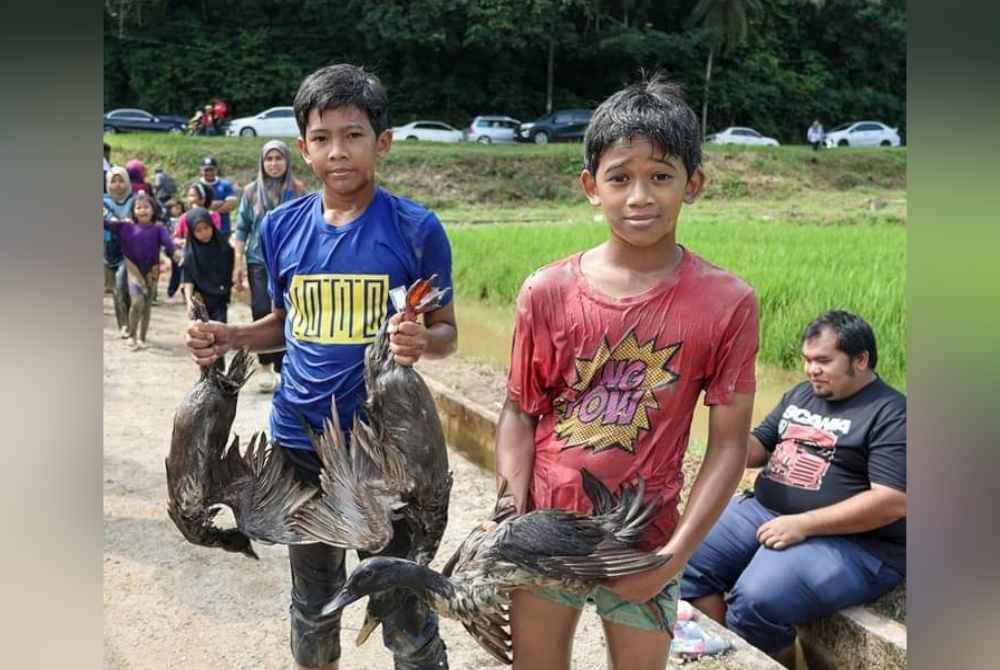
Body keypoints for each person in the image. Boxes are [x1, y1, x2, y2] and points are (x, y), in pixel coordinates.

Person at [184, 64, 457, 670]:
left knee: (404, 615)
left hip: (385, 455)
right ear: (304, 148)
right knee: (313, 604)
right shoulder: (280, 228)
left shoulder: (416, 229)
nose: (338, 151)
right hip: (298, 447)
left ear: (382, 142)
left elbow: (447, 333)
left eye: (353, 135)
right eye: (322, 137)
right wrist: (231, 335)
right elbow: (285, 322)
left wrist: (422, 339)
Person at [496, 73, 758, 670]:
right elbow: (519, 410)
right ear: (591, 187)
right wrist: (509, 520)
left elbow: (727, 445)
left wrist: (672, 558)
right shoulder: (547, 290)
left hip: (648, 536)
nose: (640, 196)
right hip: (546, 529)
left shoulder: (727, 302)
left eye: (660, 176)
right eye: (620, 178)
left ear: (693, 184)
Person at [680, 310, 906, 662]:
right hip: (765, 510)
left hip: (852, 540)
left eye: (823, 361)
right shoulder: (802, 394)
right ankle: (727, 656)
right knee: (686, 560)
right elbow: (759, 447)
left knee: (757, 600)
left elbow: (891, 501)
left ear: (860, 360)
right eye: (807, 360)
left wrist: (803, 524)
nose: (811, 370)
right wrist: (726, 433)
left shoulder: (892, 414)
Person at [232, 139, 308, 392]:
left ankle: (283, 366)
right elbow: (242, 228)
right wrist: (237, 263)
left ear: (287, 161)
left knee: (289, 311)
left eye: (279, 158)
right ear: (262, 162)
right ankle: (265, 366)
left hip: (290, 261)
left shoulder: (298, 191)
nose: (274, 164)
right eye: (269, 159)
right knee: (262, 309)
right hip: (258, 259)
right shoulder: (251, 192)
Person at [104, 192, 182, 350]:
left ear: (153, 210)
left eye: (146, 207)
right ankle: (132, 335)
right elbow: (105, 224)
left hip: (152, 270)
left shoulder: (158, 228)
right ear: (133, 211)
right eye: (138, 207)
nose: (143, 210)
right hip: (133, 269)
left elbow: (168, 243)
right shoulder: (125, 227)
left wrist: (174, 252)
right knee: (137, 301)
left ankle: (142, 338)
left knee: (146, 305)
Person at [180, 207, 234, 323]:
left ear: (212, 226)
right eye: (198, 230)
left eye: (206, 228)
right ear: (192, 232)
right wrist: (189, 301)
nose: (204, 233)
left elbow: (231, 271)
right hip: (200, 301)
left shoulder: (225, 249)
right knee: (202, 331)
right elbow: (188, 279)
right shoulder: (190, 255)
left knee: (220, 329)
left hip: (220, 299)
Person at [103, 166, 134, 335]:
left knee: (122, 283)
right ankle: (123, 323)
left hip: (129, 249)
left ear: (127, 181)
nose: (117, 184)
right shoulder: (103, 201)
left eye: (121, 180)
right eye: (113, 181)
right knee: (116, 289)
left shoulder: (135, 200)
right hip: (109, 249)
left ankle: (128, 324)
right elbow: (107, 218)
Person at [197, 156, 238, 240]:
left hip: (223, 229)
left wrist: (207, 207)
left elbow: (231, 205)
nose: (209, 172)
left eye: (211, 169)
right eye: (206, 170)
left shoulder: (225, 185)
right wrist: (220, 203)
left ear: (216, 170)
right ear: (201, 171)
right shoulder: (196, 186)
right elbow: (195, 206)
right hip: (202, 231)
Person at [163, 198, 186, 300]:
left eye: (179, 208)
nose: (178, 210)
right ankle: (172, 289)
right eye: (175, 208)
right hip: (172, 248)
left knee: (182, 268)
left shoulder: (185, 218)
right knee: (176, 269)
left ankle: (182, 288)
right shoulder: (167, 222)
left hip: (184, 247)